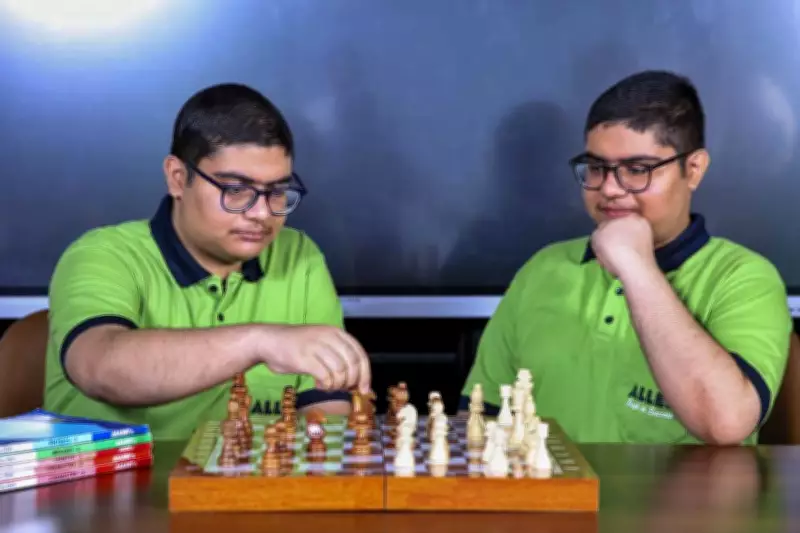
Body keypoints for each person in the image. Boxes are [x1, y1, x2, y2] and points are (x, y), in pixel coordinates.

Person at [459, 70, 792, 445]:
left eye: (637, 170)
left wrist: (636, 267)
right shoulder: (543, 269)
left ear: (693, 170)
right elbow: (479, 418)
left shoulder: (744, 278)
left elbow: (725, 424)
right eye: (596, 168)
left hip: (680, 489)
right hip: (550, 485)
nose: (610, 189)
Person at [43, 83, 371, 441]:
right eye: (236, 190)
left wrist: (329, 438)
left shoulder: (299, 256)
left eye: (277, 191)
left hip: (255, 477)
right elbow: (100, 369)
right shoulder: (102, 255)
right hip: (119, 478)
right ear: (178, 178)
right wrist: (259, 342)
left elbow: (326, 408)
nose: (262, 213)